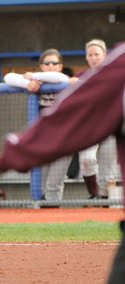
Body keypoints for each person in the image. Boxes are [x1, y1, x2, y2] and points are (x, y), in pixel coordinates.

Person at [0, 42, 125, 284]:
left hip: (57, 142)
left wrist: (6, 160)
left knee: (82, 166)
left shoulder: (117, 63)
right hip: (55, 144)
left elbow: (69, 119)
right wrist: (28, 80)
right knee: (55, 182)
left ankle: (100, 199)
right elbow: (14, 78)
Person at [3, 49, 71, 202]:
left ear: (61, 66)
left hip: (64, 140)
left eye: (55, 63)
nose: (51, 66)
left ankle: (53, 218)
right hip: (42, 141)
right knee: (40, 184)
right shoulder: (36, 82)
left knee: (54, 185)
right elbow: (8, 77)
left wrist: (33, 76)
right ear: (41, 65)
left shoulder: (63, 79)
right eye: (47, 63)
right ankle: (42, 216)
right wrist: (27, 83)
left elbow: (60, 78)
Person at [72, 39, 119, 200]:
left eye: (96, 54)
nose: (93, 57)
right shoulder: (80, 76)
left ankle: (106, 200)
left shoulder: (115, 74)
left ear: (104, 55)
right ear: (86, 57)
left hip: (111, 126)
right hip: (89, 127)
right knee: (86, 159)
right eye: (90, 55)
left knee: (108, 169)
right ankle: (94, 195)